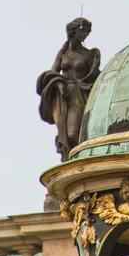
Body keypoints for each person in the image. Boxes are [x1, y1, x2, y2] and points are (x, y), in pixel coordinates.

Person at [37, 17, 100, 161]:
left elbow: (94, 77)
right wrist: (58, 84)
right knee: (64, 135)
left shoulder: (89, 54)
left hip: (80, 95)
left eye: (87, 32)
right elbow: (52, 73)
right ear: (73, 31)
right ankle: (71, 160)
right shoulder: (63, 53)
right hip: (63, 98)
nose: (85, 34)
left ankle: (80, 160)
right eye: (83, 30)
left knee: (73, 134)